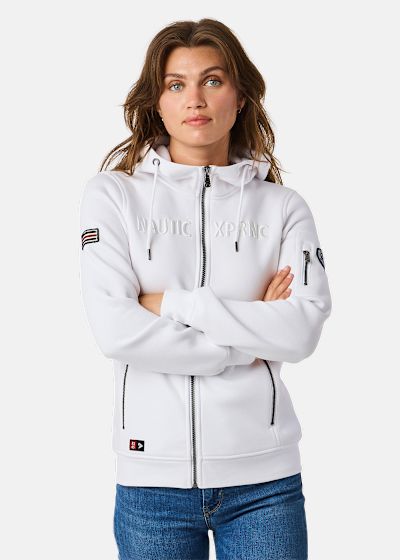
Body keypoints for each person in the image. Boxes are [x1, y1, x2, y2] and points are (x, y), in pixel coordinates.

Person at [79, 17, 332, 560]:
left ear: (240, 97)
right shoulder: (113, 197)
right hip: (151, 485)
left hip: (265, 485)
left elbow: (302, 331)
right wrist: (248, 340)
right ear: (157, 103)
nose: (194, 99)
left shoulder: (283, 208)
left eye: (212, 80)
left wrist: (173, 304)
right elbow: (116, 330)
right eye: (176, 84)